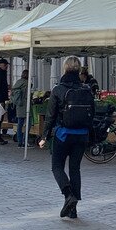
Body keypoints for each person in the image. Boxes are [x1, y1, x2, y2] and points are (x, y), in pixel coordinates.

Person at [39, 56, 95, 220]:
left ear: (64, 69)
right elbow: (92, 113)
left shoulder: (58, 89)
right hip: (82, 135)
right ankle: (73, 210)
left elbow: (50, 116)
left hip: (63, 135)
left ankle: (68, 194)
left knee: (57, 166)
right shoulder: (86, 89)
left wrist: (44, 137)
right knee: (75, 169)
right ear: (79, 71)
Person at [9, 68, 29, 147]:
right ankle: (25, 140)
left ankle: (20, 141)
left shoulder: (18, 82)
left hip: (19, 105)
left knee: (20, 124)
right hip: (26, 105)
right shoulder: (26, 83)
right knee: (28, 124)